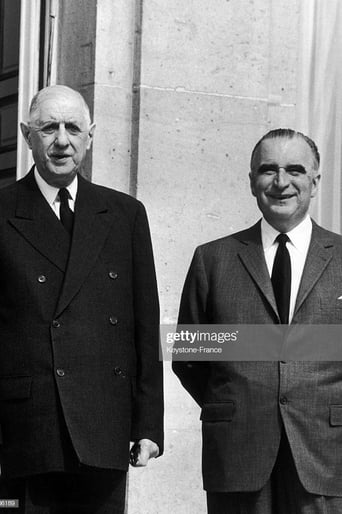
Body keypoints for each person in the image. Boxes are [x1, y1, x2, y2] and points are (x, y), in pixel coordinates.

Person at [0, 85, 163, 513]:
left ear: (89, 135)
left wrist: (148, 424)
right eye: (48, 127)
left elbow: (144, 326)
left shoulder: (125, 214)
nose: (61, 140)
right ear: (26, 134)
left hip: (103, 425)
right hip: (24, 429)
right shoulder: (2, 210)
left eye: (72, 127)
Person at [173, 128, 342, 513]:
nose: (281, 182)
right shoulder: (212, 260)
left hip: (327, 457)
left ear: (315, 182)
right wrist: (240, 401)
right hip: (239, 454)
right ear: (252, 183)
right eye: (269, 170)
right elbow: (189, 357)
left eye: (295, 170)